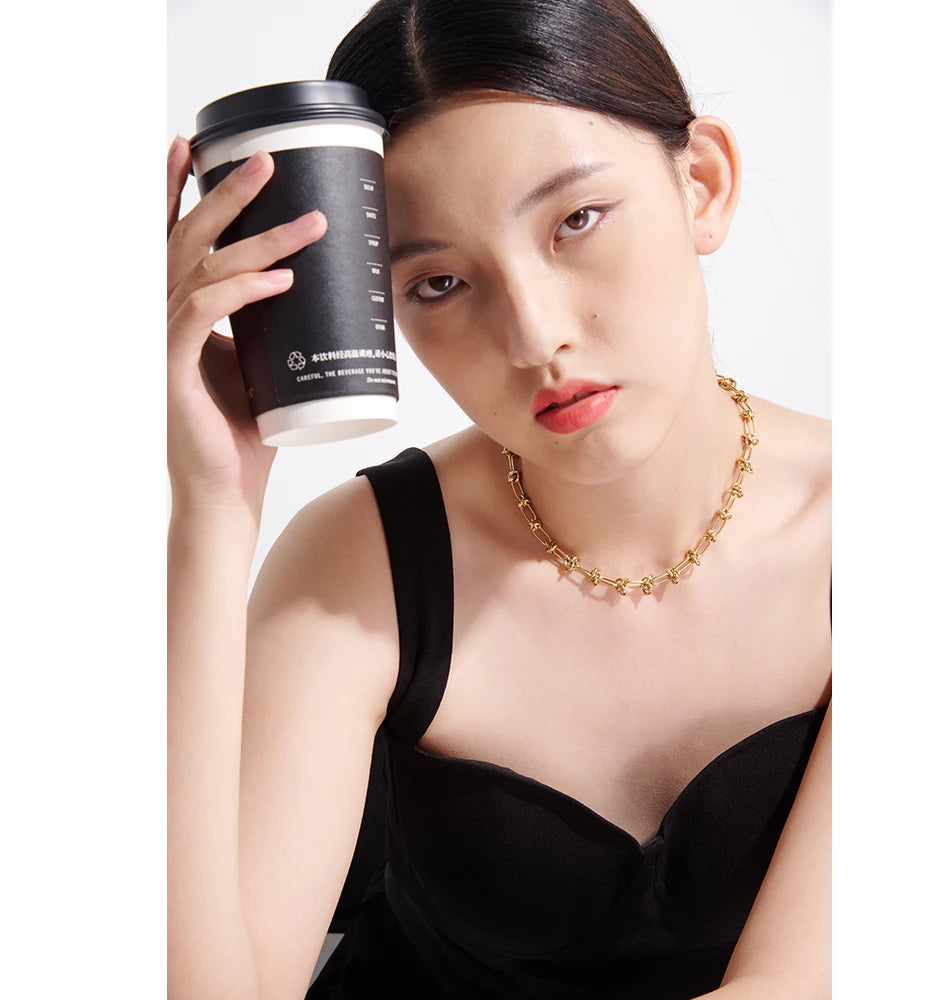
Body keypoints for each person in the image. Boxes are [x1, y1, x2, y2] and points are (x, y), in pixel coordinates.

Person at [166, 1, 831, 997]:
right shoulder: (360, 564)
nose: (533, 333)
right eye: (438, 283)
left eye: (575, 221)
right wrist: (211, 511)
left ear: (701, 182)